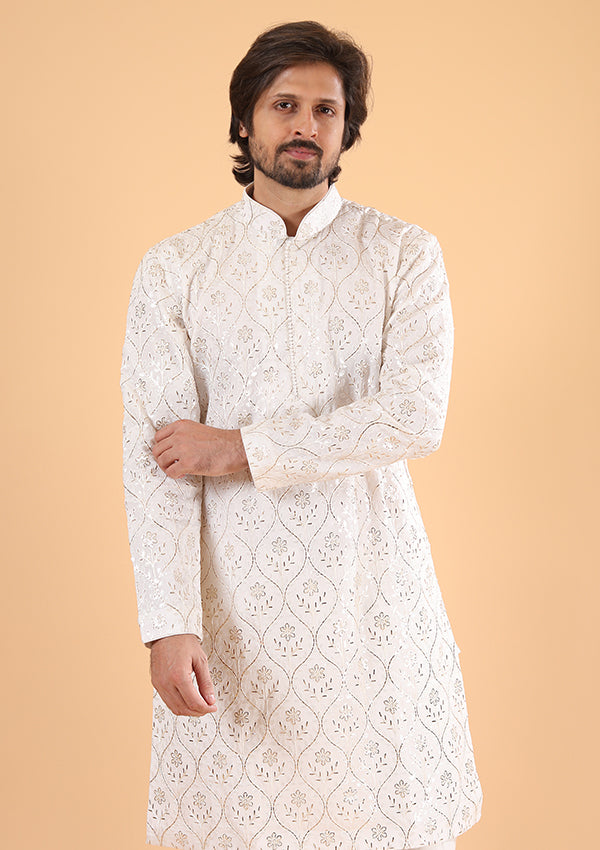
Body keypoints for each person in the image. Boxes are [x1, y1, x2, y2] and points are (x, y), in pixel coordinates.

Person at [120, 20, 483, 850]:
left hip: (371, 594)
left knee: (383, 821)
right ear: (245, 119)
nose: (305, 125)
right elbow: (155, 462)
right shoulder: (177, 268)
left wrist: (239, 447)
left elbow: (413, 416)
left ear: (347, 129)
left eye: (326, 109)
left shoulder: (402, 254)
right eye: (285, 104)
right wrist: (168, 621)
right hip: (232, 604)